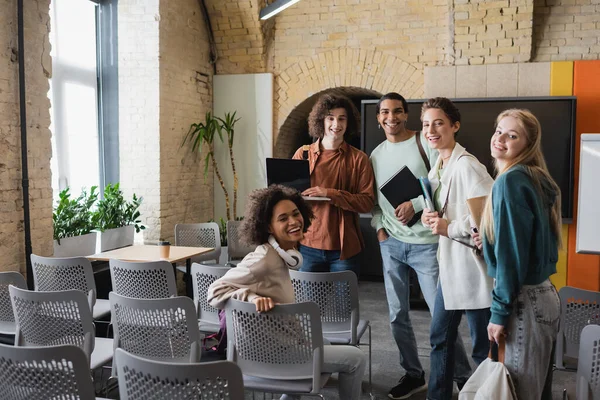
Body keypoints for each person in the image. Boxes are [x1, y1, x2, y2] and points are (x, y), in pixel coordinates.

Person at [207, 185, 367, 400]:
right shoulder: (263, 261)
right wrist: (251, 297)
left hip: (280, 344)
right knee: (355, 358)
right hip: (276, 353)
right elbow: (214, 291)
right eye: (283, 218)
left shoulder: (281, 255)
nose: (293, 221)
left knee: (325, 342)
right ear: (269, 227)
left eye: (295, 214)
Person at [370, 93, 470, 399]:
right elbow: (375, 203)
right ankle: (413, 374)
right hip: (392, 245)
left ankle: (464, 378)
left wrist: (414, 204)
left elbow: (441, 185)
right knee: (397, 314)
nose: (392, 117)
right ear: (379, 118)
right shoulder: (375, 155)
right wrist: (380, 230)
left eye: (398, 111)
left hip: (427, 245)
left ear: (406, 115)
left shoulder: (426, 142)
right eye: (385, 112)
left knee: (441, 316)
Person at [477, 109, 561, 400]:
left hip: (524, 302)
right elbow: (524, 245)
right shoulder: (534, 177)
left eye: (512, 135)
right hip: (545, 296)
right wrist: (488, 241)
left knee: (518, 394)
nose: (500, 138)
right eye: (499, 130)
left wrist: (499, 313)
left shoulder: (510, 181)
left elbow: (512, 260)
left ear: (527, 144)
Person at [420, 97, 494, 400]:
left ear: (455, 126)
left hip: (474, 272)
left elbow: (489, 213)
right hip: (450, 270)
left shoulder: (468, 167)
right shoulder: (439, 166)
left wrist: (449, 227)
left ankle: (486, 396)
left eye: (438, 122)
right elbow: (445, 212)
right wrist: (430, 217)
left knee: (482, 348)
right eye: (426, 124)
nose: (431, 130)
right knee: (440, 338)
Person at [292, 93, 375, 275]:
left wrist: (330, 194)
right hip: (307, 244)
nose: (336, 125)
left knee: (343, 304)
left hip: (344, 250)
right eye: (330, 118)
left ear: (348, 122)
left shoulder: (359, 159)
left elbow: (367, 202)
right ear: (321, 120)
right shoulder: (303, 154)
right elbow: (289, 199)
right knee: (308, 303)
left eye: (341, 119)